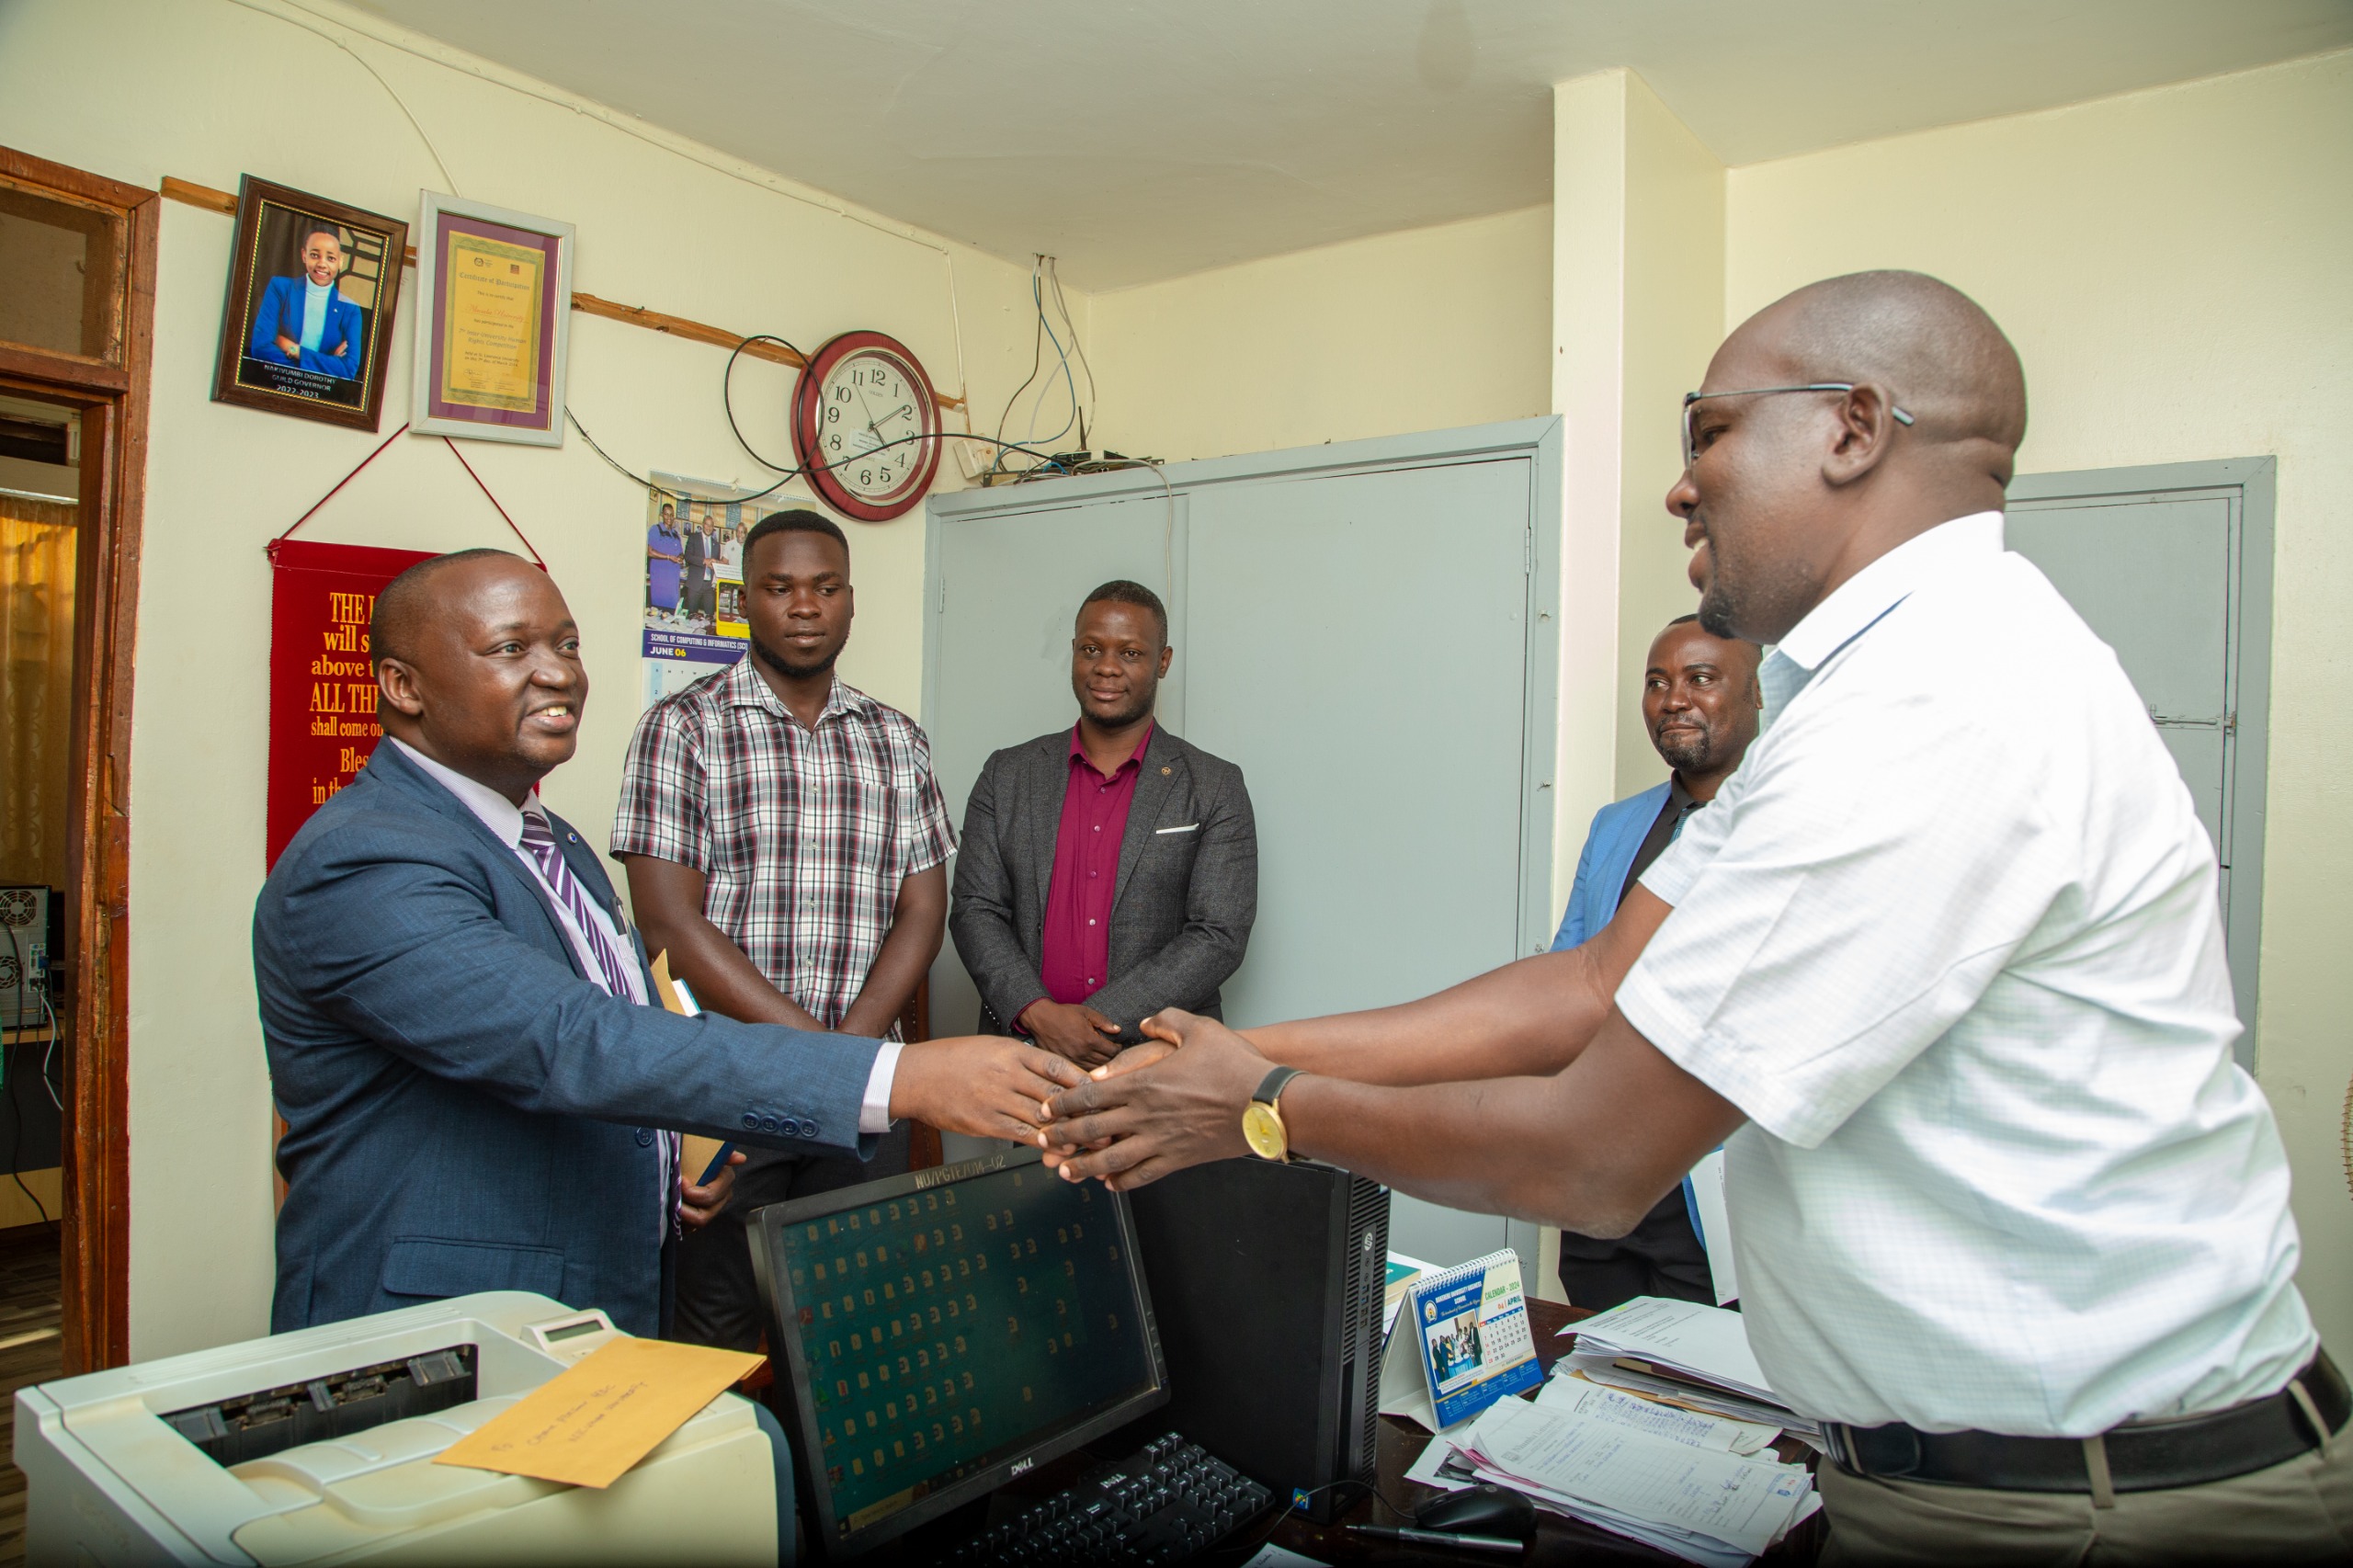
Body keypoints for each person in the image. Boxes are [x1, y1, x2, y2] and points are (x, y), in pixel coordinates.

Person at [1032, 273, 2347, 1562]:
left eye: (1708, 430)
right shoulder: (1870, 692)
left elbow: (1596, 1151)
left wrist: (1259, 1106)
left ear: (1853, 426)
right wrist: (1189, 1051)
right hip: (1988, 1475)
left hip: (2088, 1503)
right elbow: (1593, 978)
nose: (1678, 483)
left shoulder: (1939, 704)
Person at [256, 549, 1080, 1345]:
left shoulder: (548, 840)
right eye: (512, 649)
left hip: (581, 1296)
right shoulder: (367, 859)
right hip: (445, 1327)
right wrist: (900, 1074)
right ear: (402, 687)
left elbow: (638, 998)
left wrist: (682, 1147)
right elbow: (570, 1038)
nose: (559, 673)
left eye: (567, 644)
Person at [615, 510, 954, 1353]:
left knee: (855, 1339)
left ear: (849, 603)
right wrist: (816, 1057)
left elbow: (923, 909)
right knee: (716, 1343)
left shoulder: (896, 740)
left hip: (861, 1100)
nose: (805, 606)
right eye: (780, 588)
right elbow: (668, 924)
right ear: (745, 602)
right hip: (727, 1092)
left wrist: (854, 1055)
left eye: (825, 587)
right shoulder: (683, 729)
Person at [949, 581, 1256, 1067]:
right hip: (1025, 1057)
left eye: (1130, 652)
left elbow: (1218, 934)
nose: (1107, 667)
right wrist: (1039, 1014)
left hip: (1162, 1060)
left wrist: (1098, 1021)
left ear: (1163, 662)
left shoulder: (1215, 786)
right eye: (1091, 649)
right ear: (1074, 652)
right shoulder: (1007, 775)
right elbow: (975, 909)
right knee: (1029, 1151)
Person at [1551, 614, 1759, 1311]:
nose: (1674, 699)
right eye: (1656, 682)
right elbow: (1566, 974)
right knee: (1590, 1367)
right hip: (1599, 1173)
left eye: (1701, 678)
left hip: (1715, 1182)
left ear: (1758, 695)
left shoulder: (1786, 828)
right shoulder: (1618, 825)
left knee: (1708, 1392)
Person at [245, 225, 364, 379]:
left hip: (321, 396)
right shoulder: (280, 288)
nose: (322, 264)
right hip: (274, 382)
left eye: (331, 258)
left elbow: (348, 370)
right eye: (315, 255)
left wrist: (296, 350)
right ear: (304, 255)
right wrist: (328, 364)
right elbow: (261, 349)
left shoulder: (350, 309)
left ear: (340, 262)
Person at [647, 503, 684, 621]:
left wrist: (681, 557)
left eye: (671, 515)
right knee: (658, 617)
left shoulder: (676, 535)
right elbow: (650, 552)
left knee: (671, 617)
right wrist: (668, 557)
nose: (669, 517)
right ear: (662, 515)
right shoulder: (655, 529)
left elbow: (680, 553)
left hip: (673, 585)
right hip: (660, 583)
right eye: (666, 514)